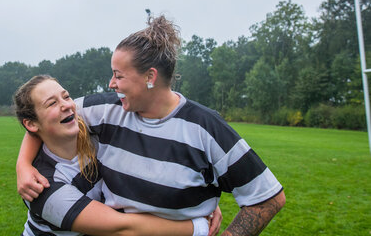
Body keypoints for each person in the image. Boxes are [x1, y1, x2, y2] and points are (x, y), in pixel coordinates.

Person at [17, 15, 284, 235]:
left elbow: (268, 198)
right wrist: (24, 165)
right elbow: (46, 122)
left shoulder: (205, 128)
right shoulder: (105, 110)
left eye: (118, 75)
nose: (111, 84)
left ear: (150, 77)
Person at [14, 75, 213, 236]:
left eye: (66, 97)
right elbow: (121, 228)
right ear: (31, 124)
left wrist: (197, 202)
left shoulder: (97, 130)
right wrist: (197, 226)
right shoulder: (42, 186)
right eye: (51, 104)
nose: (67, 105)